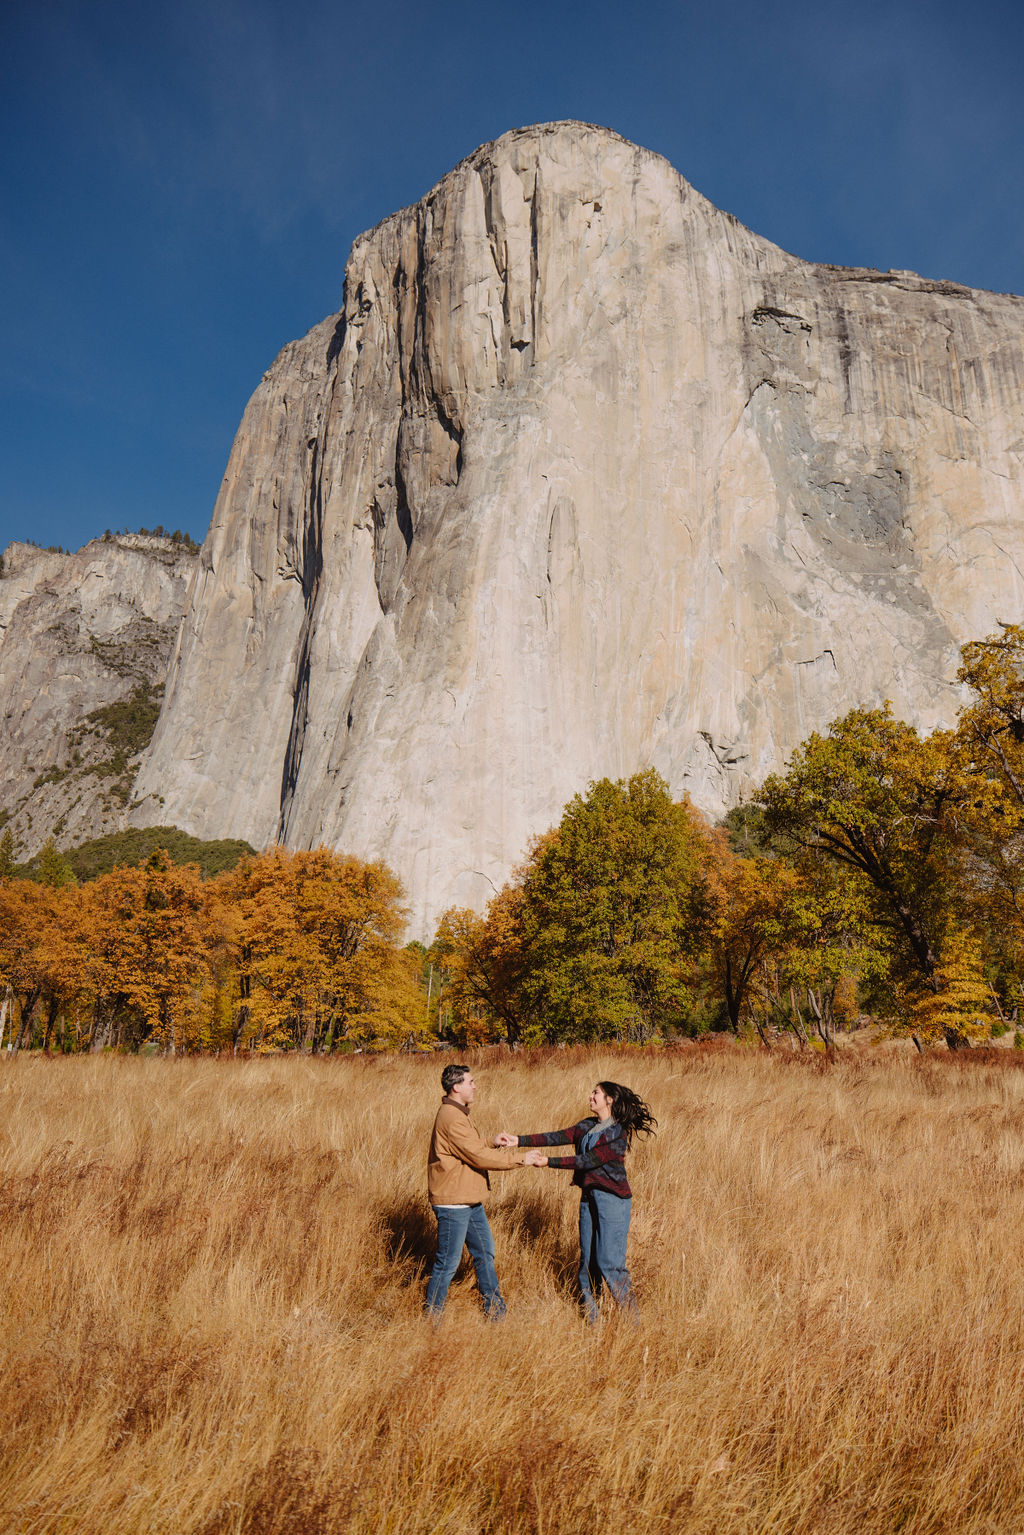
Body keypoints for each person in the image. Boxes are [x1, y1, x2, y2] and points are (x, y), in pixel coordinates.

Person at [497, 1081, 656, 1323]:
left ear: (609, 1100)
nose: (591, 1096)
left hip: (612, 1200)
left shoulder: (617, 1133)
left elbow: (588, 1161)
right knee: (588, 1262)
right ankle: (593, 1319)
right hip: (589, 1196)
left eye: (596, 1093)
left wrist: (548, 1162)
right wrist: (518, 1140)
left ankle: (632, 1322)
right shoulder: (587, 1125)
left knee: (609, 1263)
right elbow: (556, 1136)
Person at [425, 1063, 544, 1320]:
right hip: (454, 1202)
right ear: (456, 1087)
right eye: (471, 1082)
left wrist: (491, 1141)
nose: (475, 1086)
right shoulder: (451, 1116)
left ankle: (495, 1311)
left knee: (485, 1253)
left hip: (469, 1199)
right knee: (447, 1263)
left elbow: (468, 1147)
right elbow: (477, 1157)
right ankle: (431, 1320)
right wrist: (522, 1159)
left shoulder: (458, 1113)